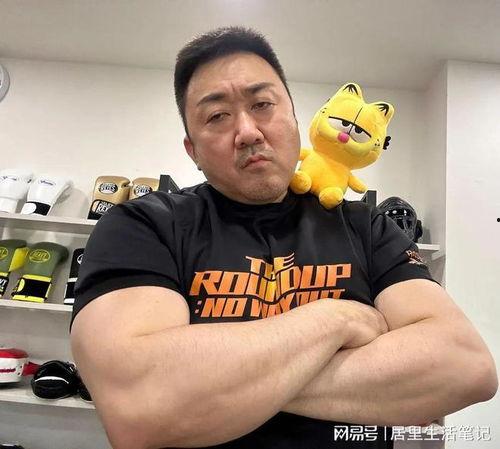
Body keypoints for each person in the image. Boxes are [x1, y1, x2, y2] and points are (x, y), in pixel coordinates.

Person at [70, 27, 498, 449]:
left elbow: (464, 368)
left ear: (294, 119)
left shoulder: (367, 227)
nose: (248, 132)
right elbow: (141, 406)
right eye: (217, 116)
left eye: (262, 105)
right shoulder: (142, 225)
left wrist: (219, 385)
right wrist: (337, 320)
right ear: (192, 150)